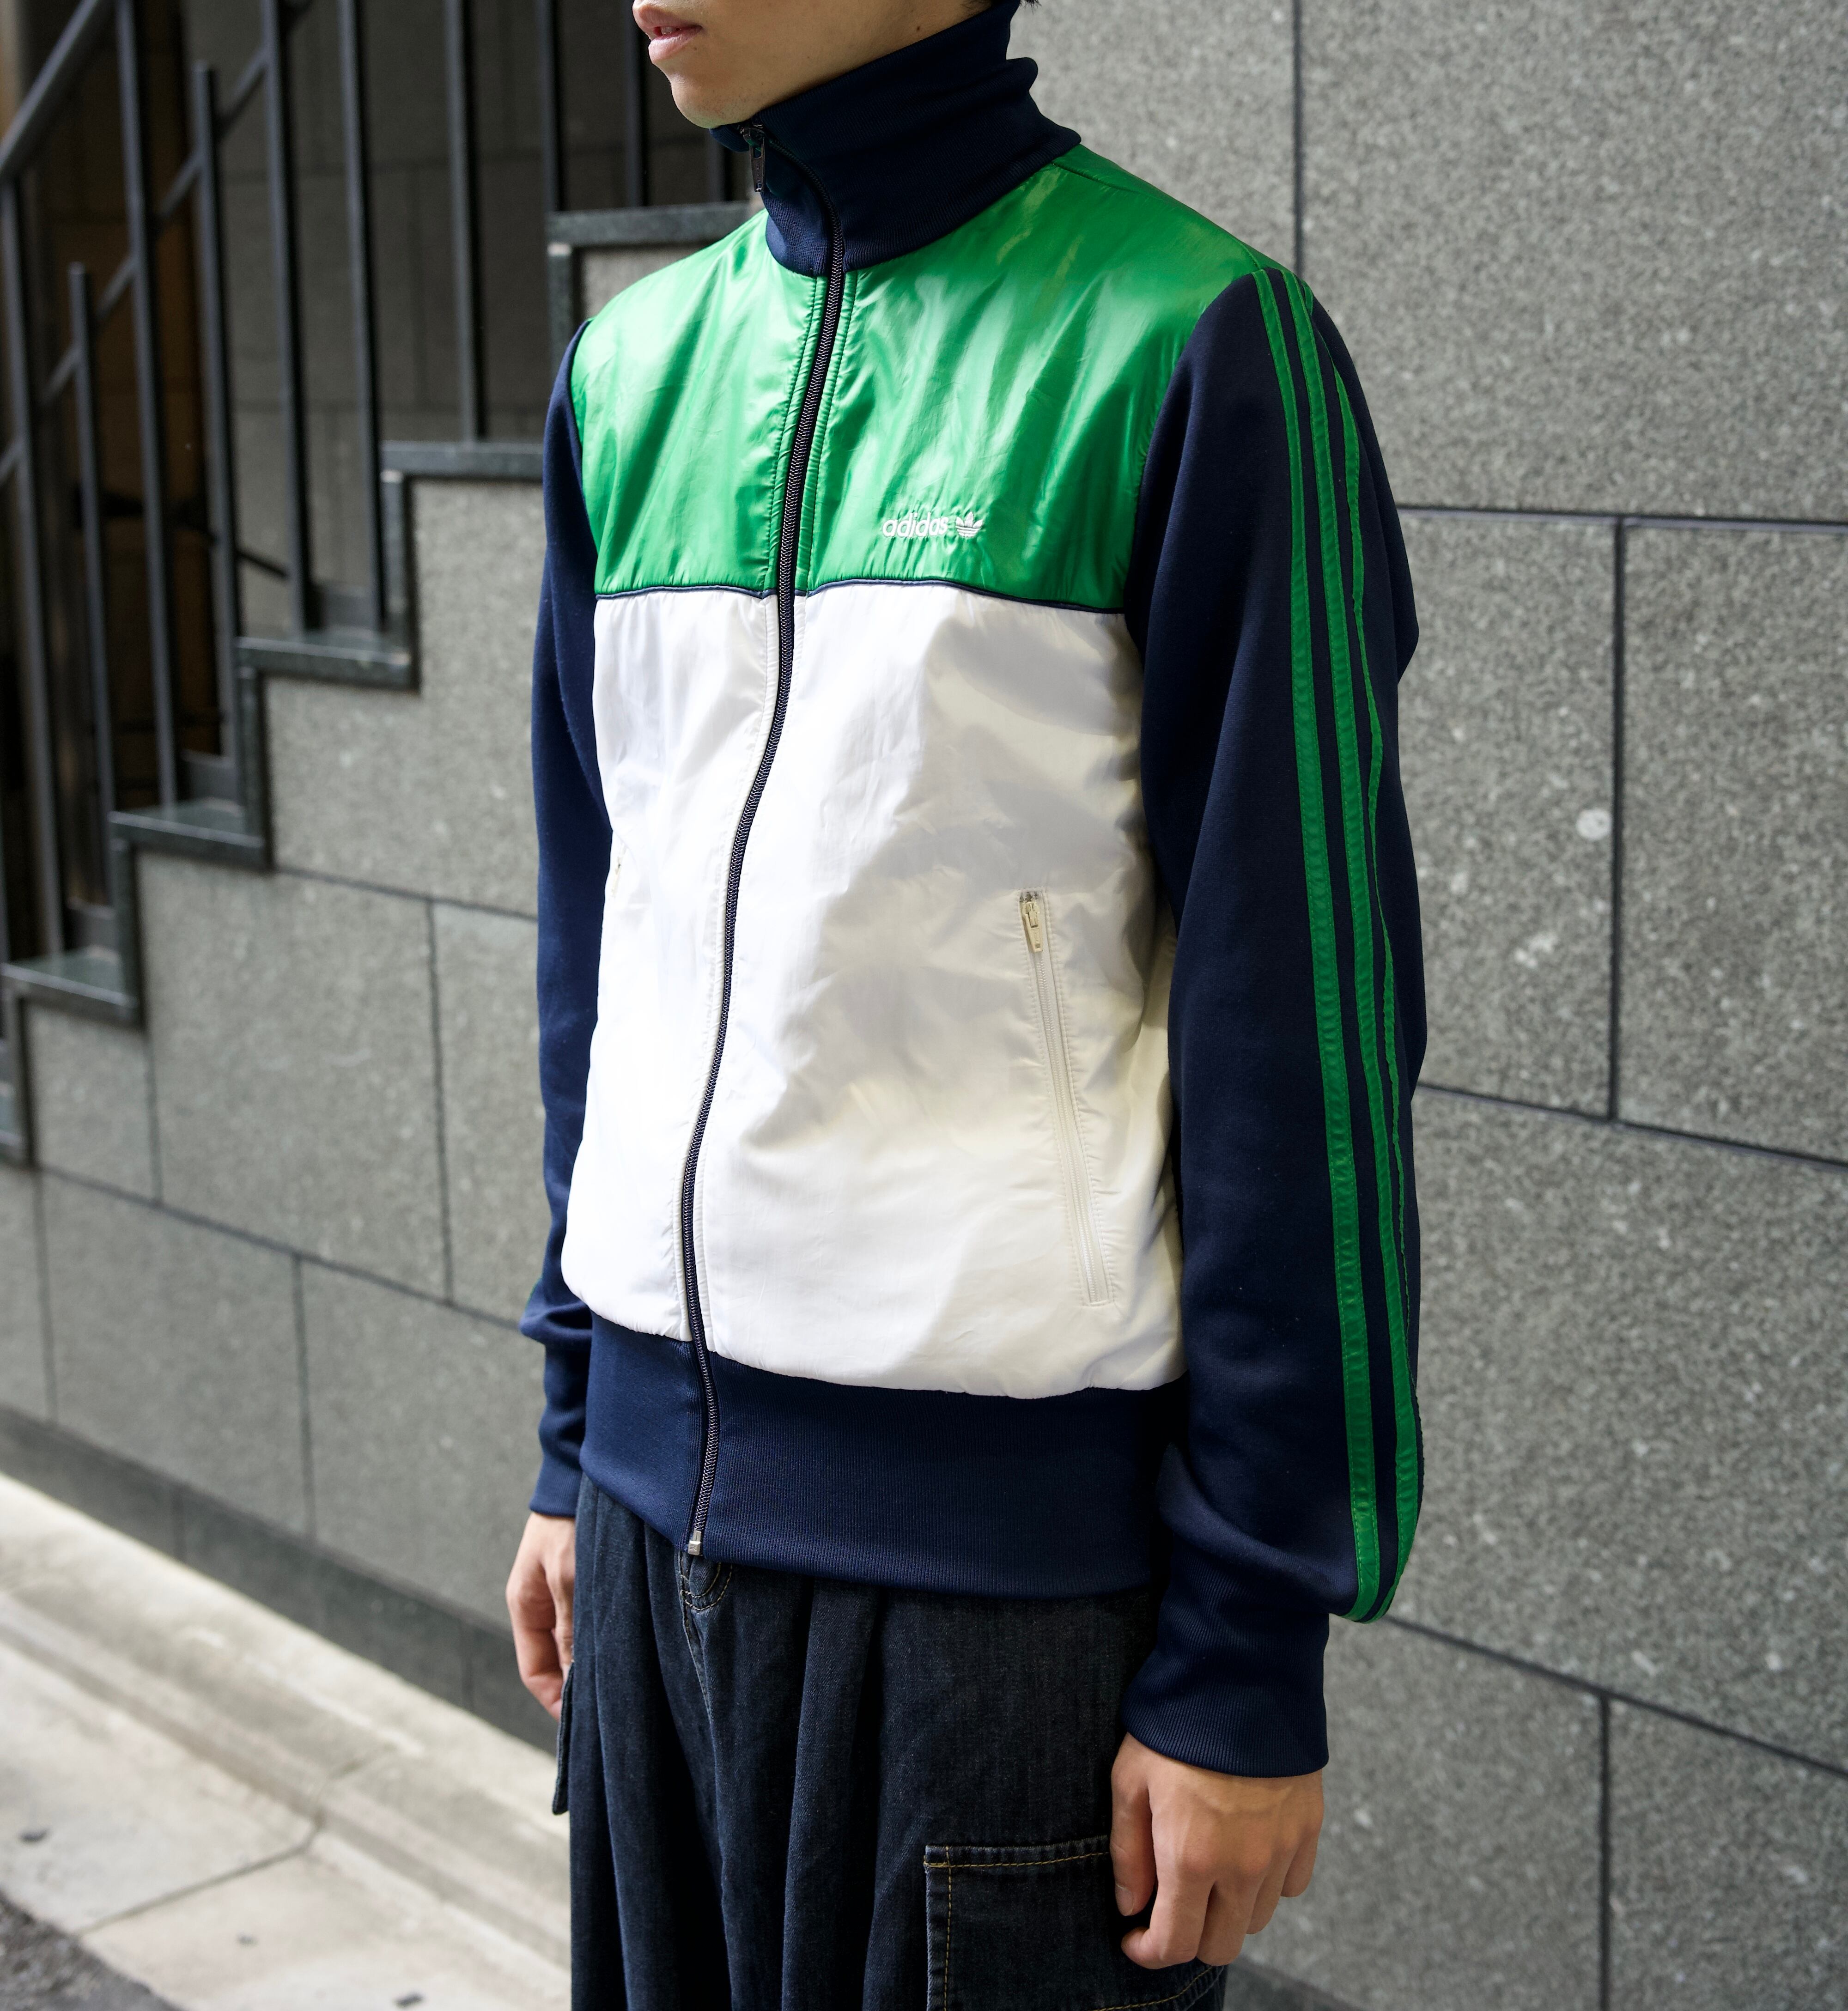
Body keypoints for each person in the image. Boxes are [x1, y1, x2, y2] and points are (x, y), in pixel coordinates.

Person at [505, 0, 1424, 2002]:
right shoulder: (629, 378)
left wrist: (1247, 1648)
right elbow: (606, 956)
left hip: (1004, 1612)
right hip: (649, 1552)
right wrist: (581, 1438)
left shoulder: (1188, 345)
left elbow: (1302, 1044)